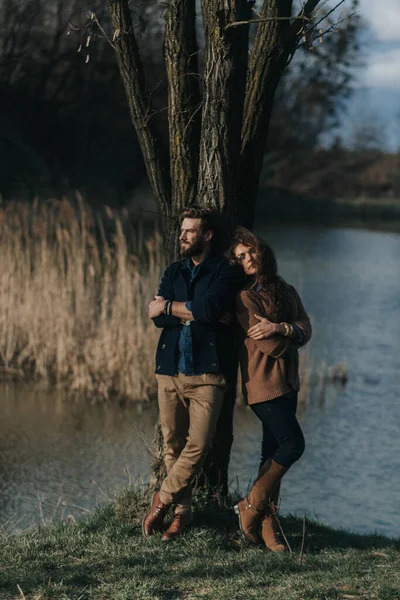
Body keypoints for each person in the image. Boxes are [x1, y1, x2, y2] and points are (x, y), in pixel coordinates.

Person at [143, 206, 243, 542]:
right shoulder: (174, 271)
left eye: (189, 231)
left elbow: (208, 309)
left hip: (207, 374)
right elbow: (157, 318)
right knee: (172, 444)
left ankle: (163, 499)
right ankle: (180, 516)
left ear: (207, 235)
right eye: (181, 230)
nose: (182, 235)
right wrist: (193, 312)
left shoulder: (226, 272)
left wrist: (172, 307)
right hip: (169, 371)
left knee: (198, 445)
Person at [230, 227, 311, 552]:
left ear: (261, 252)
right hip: (262, 384)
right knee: (293, 445)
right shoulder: (244, 297)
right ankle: (249, 505)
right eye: (240, 257)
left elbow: (306, 328)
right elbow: (273, 347)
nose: (248, 259)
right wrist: (289, 333)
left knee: (271, 452)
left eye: (250, 252)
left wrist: (282, 326)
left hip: (289, 383)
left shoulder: (285, 289)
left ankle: (267, 524)